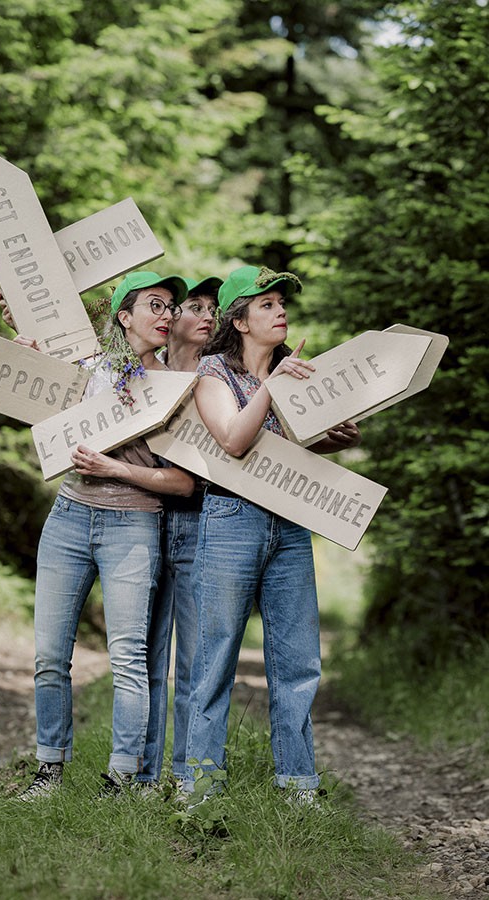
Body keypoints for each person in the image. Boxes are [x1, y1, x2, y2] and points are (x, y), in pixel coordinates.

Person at [14, 270, 197, 800]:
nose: (166, 315)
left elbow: (183, 482)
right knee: (49, 655)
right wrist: (25, 352)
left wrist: (117, 470)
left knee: (127, 658)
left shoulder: (173, 389)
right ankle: (49, 770)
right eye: (155, 305)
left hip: (133, 525)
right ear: (124, 315)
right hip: (69, 516)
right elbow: (30, 390)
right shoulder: (89, 369)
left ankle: (119, 778)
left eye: (170, 307)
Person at [184, 264, 362, 804]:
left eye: (282, 302)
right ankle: (202, 785)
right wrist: (273, 387)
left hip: (288, 523)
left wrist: (337, 439)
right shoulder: (213, 373)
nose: (280, 309)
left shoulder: (295, 370)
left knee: (298, 659)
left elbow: (294, 447)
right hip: (231, 520)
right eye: (266, 304)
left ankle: (297, 784)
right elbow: (236, 440)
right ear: (238, 319)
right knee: (216, 657)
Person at [140, 276, 222, 786]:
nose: (206, 313)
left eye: (214, 307)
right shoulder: (145, 373)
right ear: (172, 321)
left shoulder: (223, 382)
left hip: (201, 525)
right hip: (144, 520)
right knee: (147, 656)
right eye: (194, 306)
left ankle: (191, 779)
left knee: (196, 661)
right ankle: (143, 776)